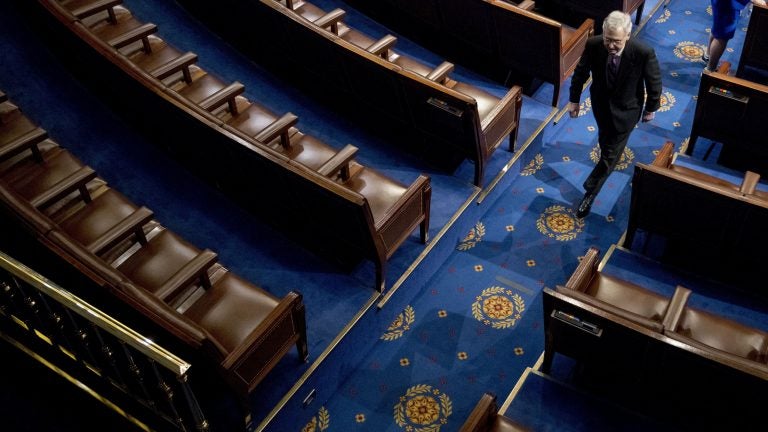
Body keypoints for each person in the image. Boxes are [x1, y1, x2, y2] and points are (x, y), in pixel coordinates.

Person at [567, 11, 662, 218]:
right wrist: (574, 100)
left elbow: (654, 82)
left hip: (627, 111)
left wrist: (651, 108)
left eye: (616, 41)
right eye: (608, 39)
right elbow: (580, 73)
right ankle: (605, 157)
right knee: (605, 140)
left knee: (610, 155)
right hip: (600, 107)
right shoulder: (594, 44)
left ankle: (590, 191)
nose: (611, 45)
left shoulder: (643, 52)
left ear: (627, 35)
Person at [704, 0, 765, 72]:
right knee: (722, 35)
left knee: (718, 26)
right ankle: (710, 70)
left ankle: (708, 56)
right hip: (729, 3)